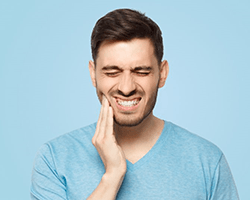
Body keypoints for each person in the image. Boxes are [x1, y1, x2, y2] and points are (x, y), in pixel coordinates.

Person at [30, 8, 239, 200]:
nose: (127, 87)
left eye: (141, 72)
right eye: (112, 72)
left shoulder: (208, 161)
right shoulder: (54, 159)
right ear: (93, 74)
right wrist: (112, 176)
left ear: (162, 73)